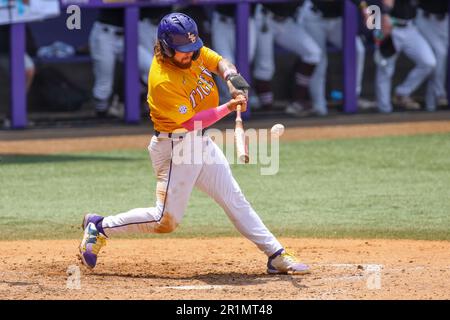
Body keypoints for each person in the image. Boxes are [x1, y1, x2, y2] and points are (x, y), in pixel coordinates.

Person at [79, 12, 309, 275]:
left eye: (192, 48)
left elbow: (221, 62)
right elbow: (190, 122)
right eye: (182, 51)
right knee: (165, 220)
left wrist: (235, 82)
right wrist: (228, 106)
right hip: (176, 147)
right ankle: (99, 226)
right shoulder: (162, 80)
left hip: (199, 143)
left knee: (234, 199)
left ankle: (276, 254)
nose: (190, 55)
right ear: (166, 47)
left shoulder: (193, 51)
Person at [89, 8, 169, 118]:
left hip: (127, 37)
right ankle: (101, 114)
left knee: (151, 68)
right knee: (104, 85)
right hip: (105, 35)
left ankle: (150, 105)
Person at [299, 0, 370, 116]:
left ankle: (353, 96)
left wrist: (364, 8)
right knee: (320, 61)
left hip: (337, 19)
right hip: (314, 17)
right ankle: (319, 105)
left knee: (357, 49)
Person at [374, 0, 436, 113]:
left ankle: (402, 93)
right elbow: (385, 3)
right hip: (390, 27)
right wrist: (384, 15)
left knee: (428, 62)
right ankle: (384, 109)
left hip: (410, 28)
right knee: (385, 69)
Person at [416, 0, 448, 111]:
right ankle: (439, 93)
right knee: (439, 54)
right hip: (425, 17)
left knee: (437, 60)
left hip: (443, 19)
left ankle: (431, 105)